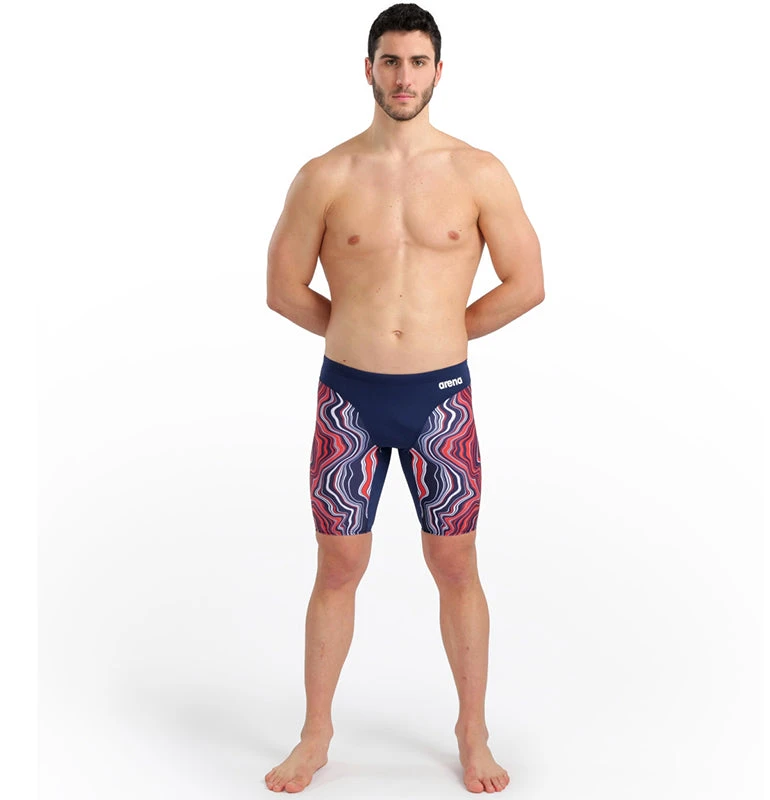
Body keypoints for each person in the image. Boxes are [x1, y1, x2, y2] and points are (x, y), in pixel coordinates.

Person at [264, 3, 544, 793]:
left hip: (440, 402)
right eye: (390, 61)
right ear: (369, 69)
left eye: (418, 62)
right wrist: (354, 331)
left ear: (438, 72)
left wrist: (447, 335)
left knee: (455, 564)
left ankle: (472, 732)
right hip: (348, 401)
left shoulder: (478, 172)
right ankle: (316, 734)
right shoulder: (325, 175)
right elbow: (283, 289)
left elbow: (527, 283)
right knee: (338, 565)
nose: (403, 76)